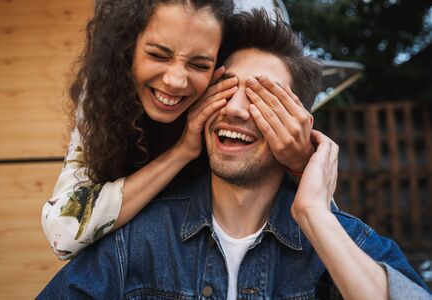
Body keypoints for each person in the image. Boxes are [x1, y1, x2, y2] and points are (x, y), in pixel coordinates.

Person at [39, 9, 431, 299]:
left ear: (299, 123)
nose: (237, 109)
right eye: (225, 89)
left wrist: (314, 211)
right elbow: (64, 230)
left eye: (264, 97)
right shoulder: (135, 245)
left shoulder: (340, 243)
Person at [41, 0, 316, 260]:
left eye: (199, 65)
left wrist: (301, 164)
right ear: (127, 49)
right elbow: (62, 230)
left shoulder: (229, 116)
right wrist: (182, 152)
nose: (175, 81)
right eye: (158, 55)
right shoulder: (102, 100)